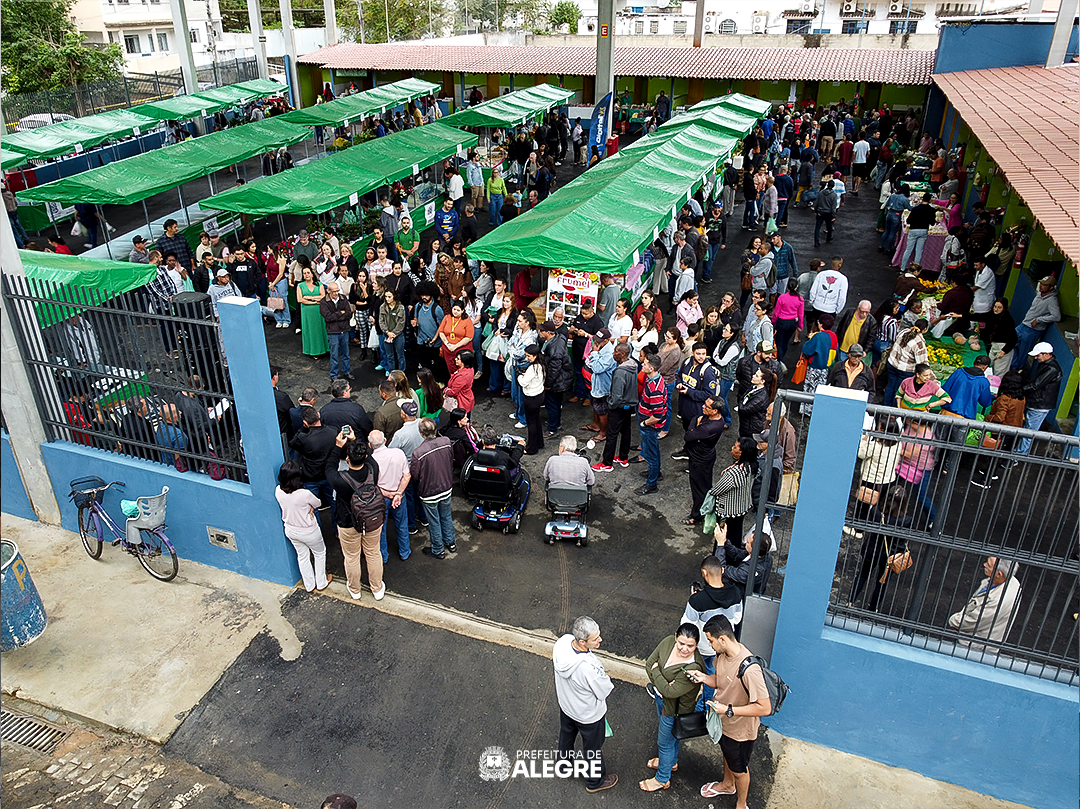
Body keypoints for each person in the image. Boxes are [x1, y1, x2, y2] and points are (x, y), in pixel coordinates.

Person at [689, 615, 771, 806]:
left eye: (710, 640)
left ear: (723, 639)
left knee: (739, 769)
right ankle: (727, 785)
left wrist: (729, 710)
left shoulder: (750, 669)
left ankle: (741, 804)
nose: (709, 645)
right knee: (728, 757)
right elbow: (720, 682)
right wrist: (702, 677)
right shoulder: (722, 655)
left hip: (740, 731)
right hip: (724, 723)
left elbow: (764, 707)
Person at [553, 616, 619, 794]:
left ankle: (564, 766)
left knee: (566, 736)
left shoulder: (563, 643)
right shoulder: (589, 667)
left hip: (567, 707)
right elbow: (604, 690)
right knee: (592, 749)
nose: (600, 640)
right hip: (588, 716)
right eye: (595, 638)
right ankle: (595, 781)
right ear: (582, 642)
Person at [639, 623, 705, 792]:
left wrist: (657, 673)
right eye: (681, 643)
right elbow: (649, 663)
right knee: (672, 738)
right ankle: (671, 762)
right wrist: (662, 682)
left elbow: (669, 692)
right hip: (663, 703)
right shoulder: (668, 642)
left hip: (674, 710)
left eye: (690, 646)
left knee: (665, 743)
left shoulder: (693, 668)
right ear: (676, 637)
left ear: (697, 644)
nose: (684, 649)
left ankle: (662, 778)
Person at [325, 432, 385, 601]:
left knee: (352, 557)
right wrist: (354, 440)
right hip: (372, 518)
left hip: (348, 523)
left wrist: (338, 446)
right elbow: (369, 456)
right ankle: (377, 588)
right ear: (365, 456)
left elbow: (329, 467)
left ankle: (355, 589)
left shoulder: (341, 479)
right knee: (373, 552)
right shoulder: (373, 469)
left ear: (347, 460)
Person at [275, 460, 331, 593]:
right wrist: (310, 507)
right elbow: (318, 503)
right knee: (319, 553)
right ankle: (321, 582)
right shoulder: (304, 494)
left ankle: (309, 585)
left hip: (290, 529)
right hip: (309, 531)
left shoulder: (278, 490)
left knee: (302, 556)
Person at [948, 557, 1022, 650]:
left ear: (999, 574)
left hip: (976, 645)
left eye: (989, 565)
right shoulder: (1010, 580)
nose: (984, 565)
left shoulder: (997, 601)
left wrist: (954, 621)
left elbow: (974, 621)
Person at [411, 419, 456, 559]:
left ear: (421, 434)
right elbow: (450, 459)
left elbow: (415, 475)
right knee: (446, 515)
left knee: (434, 521)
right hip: (446, 486)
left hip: (429, 492)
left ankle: (438, 549)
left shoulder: (418, 453)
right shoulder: (446, 442)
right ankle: (451, 542)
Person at [369, 429, 412, 563]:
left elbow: (372, 485)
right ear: (385, 441)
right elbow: (407, 475)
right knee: (402, 524)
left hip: (380, 499)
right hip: (399, 495)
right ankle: (405, 552)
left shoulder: (371, 461)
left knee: (380, 528)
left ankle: (383, 556)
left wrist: (388, 494)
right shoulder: (398, 453)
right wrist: (398, 494)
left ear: (370, 445)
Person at [592, 343, 636, 471]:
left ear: (622, 354)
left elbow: (617, 395)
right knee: (626, 431)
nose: (613, 354)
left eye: (616, 352)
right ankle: (623, 457)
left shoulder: (620, 372)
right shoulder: (632, 366)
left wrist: (610, 404)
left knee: (612, 434)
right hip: (629, 405)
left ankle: (607, 463)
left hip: (619, 407)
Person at [683, 397, 726, 526]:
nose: (703, 407)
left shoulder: (708, 428)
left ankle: (697, 515)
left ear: (715, 411)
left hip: (700, 459)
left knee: (699, 487)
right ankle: (702, 507)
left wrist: (695, 424)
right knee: (703, 485)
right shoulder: (712, 419)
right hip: (702, 456)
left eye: (707, 407)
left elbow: (688, 436)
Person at [710, 437, 758, 545]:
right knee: (736, 534)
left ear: (742, 452)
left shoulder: (734, 473)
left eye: (735, 447)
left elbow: (717, 490)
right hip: (741, 508)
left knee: (724, 539)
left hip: (728, 511)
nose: (732, 448)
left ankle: (722, 558)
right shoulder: (751, 466)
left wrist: (711, 492)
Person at [1018, 342, 1062, 455]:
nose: (1036, 358)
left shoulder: (1052, 369)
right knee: (1028, 428)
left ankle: (1019, 455)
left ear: (1046, 354)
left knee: (1029, 431)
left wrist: (1019, 390)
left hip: (1039, 405)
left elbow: (1035, 385)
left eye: (1038, 355)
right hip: (1036, 402)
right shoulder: (1046, 364)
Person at [636, 353, 668, 495]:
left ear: (652, 368)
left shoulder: (654, 388)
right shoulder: (654, 380)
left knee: (651, 454)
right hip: (650, 425)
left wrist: (644, 423)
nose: (642, 364)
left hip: (650, 426)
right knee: (653, 450)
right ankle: (656, 473)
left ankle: (651, 484)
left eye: (645, 363)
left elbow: (657, 415)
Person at [1012, 276, 1061, 369]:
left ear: (1051, 287)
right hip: (1023, 324)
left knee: (1023, 353)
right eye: (1041, 284)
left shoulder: (1052, 300)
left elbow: (1057, 316)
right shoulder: (1040, 294)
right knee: (1009, 341)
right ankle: (1013, 364)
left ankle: (1015, 371)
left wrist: (1039, 319)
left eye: (1044, 285)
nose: (1041, 286)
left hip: (1032, 331)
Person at [884, 318, 929, 408]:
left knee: (891, 385)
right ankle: (892, 411)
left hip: (892, 364)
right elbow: (922, 363)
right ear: (925, 329)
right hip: (904, 370)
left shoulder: (904, 331)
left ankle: (884, 407)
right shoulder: (919, 343)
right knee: (899, 391)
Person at [539, 320, 573, 436]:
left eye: (542, 330)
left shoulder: (554, 350)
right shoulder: (559, 338)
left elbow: (554, 370)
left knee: (552, 404)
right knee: (557, 402)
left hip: (557, 381)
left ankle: (552, 428)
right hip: (561, 379)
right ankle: (556, 423)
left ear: (548, 333)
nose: (539, 332)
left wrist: (547, 384)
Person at [583, 327, 616, 440]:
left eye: (599, 340)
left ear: (606, 340)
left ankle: (603, 433)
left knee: (602, 411)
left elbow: (597, 368)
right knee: (595, 406)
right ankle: (596, 425)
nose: (595, 342)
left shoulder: (609, 354)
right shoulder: (599, 347)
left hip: (603, 388)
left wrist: (595, 353)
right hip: (595, 385)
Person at [320, 282, 352, 387]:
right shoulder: (324, 302)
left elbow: (349, 313)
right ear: (328, 291)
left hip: (344, 330)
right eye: (333, 291)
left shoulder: (343, 298)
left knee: (346, 353)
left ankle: (346, 371)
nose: (336, 293)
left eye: (337, 291)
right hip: (333, 332)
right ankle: (334, 374)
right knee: (334, 354)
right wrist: (340, 313)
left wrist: (337, 316)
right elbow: (328, 317)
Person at [518, 344, 547, 454]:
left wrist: (520, 376)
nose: (527, 358)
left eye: (529, 356)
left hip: (531, 398)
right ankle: (539, 442)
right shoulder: (541, 365)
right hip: (539, 395)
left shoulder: (532, 368)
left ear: (535, 356)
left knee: (531, 424)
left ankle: (531, 448)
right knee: (537, 420)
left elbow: (523, 382)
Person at [297, 266, 329, 357]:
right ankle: (313, 351)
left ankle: (324, 349)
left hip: (318, 312)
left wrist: (310, 298)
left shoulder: (319, 284)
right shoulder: (300, 286)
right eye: (304, 273)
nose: (306, 275)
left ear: (312, 274)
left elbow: (323, 296)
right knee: (310, 330)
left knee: (320, 329)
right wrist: (315, 302)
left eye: (308, 273)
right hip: (307, 312)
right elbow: (300, 299)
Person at [378, 288, 407, 374]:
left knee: (400, 355)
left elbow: (401, 323)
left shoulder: (400, 307)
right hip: (387, 334)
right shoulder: (382, 307)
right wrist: (387, 332)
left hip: (398, 335)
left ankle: (401, 373)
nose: (387, 299)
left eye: (389, 297)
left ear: (394, 296)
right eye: (386, 297)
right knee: (389, 355)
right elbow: (381, 321)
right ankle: (391, 372)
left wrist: (393, 334)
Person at [445, 350, 476, 414]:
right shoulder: (470, 369)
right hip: (467, 399)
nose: (455, 359)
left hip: (461, 402)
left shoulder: (462, 376)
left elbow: (453, 392)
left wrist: (445, 391)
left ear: (464, 361)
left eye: (458, 359)